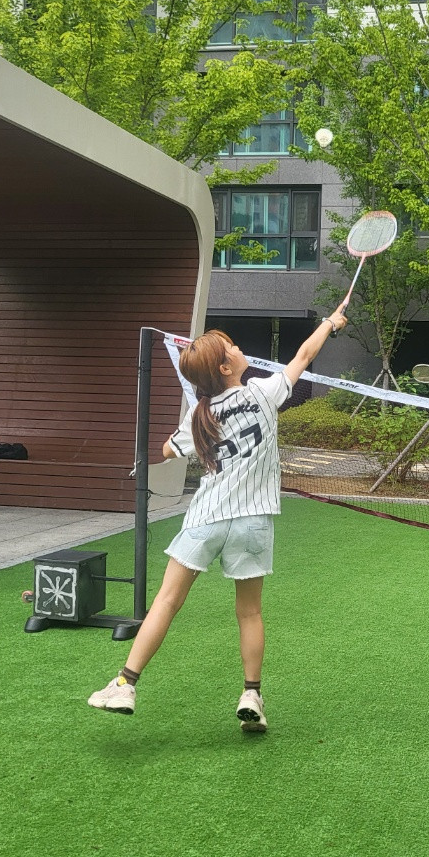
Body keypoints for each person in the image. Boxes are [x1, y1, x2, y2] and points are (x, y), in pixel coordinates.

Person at [87, 310, 347, 728]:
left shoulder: (200, 416)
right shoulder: (264, 392)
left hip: (206, 518)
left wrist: (197, 430)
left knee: (166, 602)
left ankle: (125, 684)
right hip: (253, 522)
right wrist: (330, 324)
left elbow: (166, 451)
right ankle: (252, 695)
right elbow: (303, 355)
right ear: (226, 368)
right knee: (250, 612)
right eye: (232, 348)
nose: (239, 349)